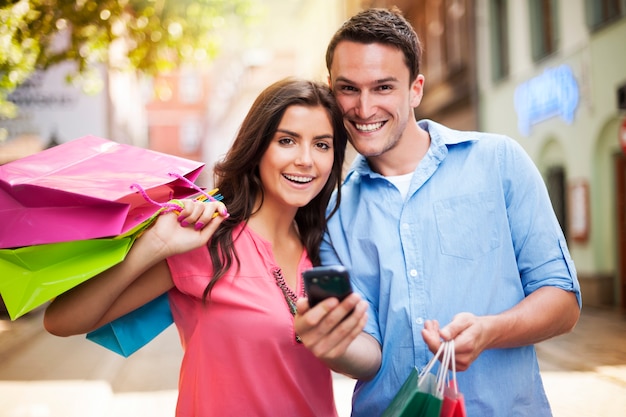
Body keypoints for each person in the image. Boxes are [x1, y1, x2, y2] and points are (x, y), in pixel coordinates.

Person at [294, 7, 582, 417]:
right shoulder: (333, 211)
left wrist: (489, 331)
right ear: (331, 90)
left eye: (383, 87)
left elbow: (564, 302)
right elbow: (371, 354)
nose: (363, 107)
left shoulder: (499, 162)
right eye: (348, 89)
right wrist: (333, 346)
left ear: (415, 89)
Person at [43, 78, 348, 417]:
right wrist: (156, 244)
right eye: (287, 141)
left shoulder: (329, 247)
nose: (306, 159)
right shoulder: (204, 239)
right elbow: (61, 321)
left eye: (322, 145)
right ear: (257, 148)